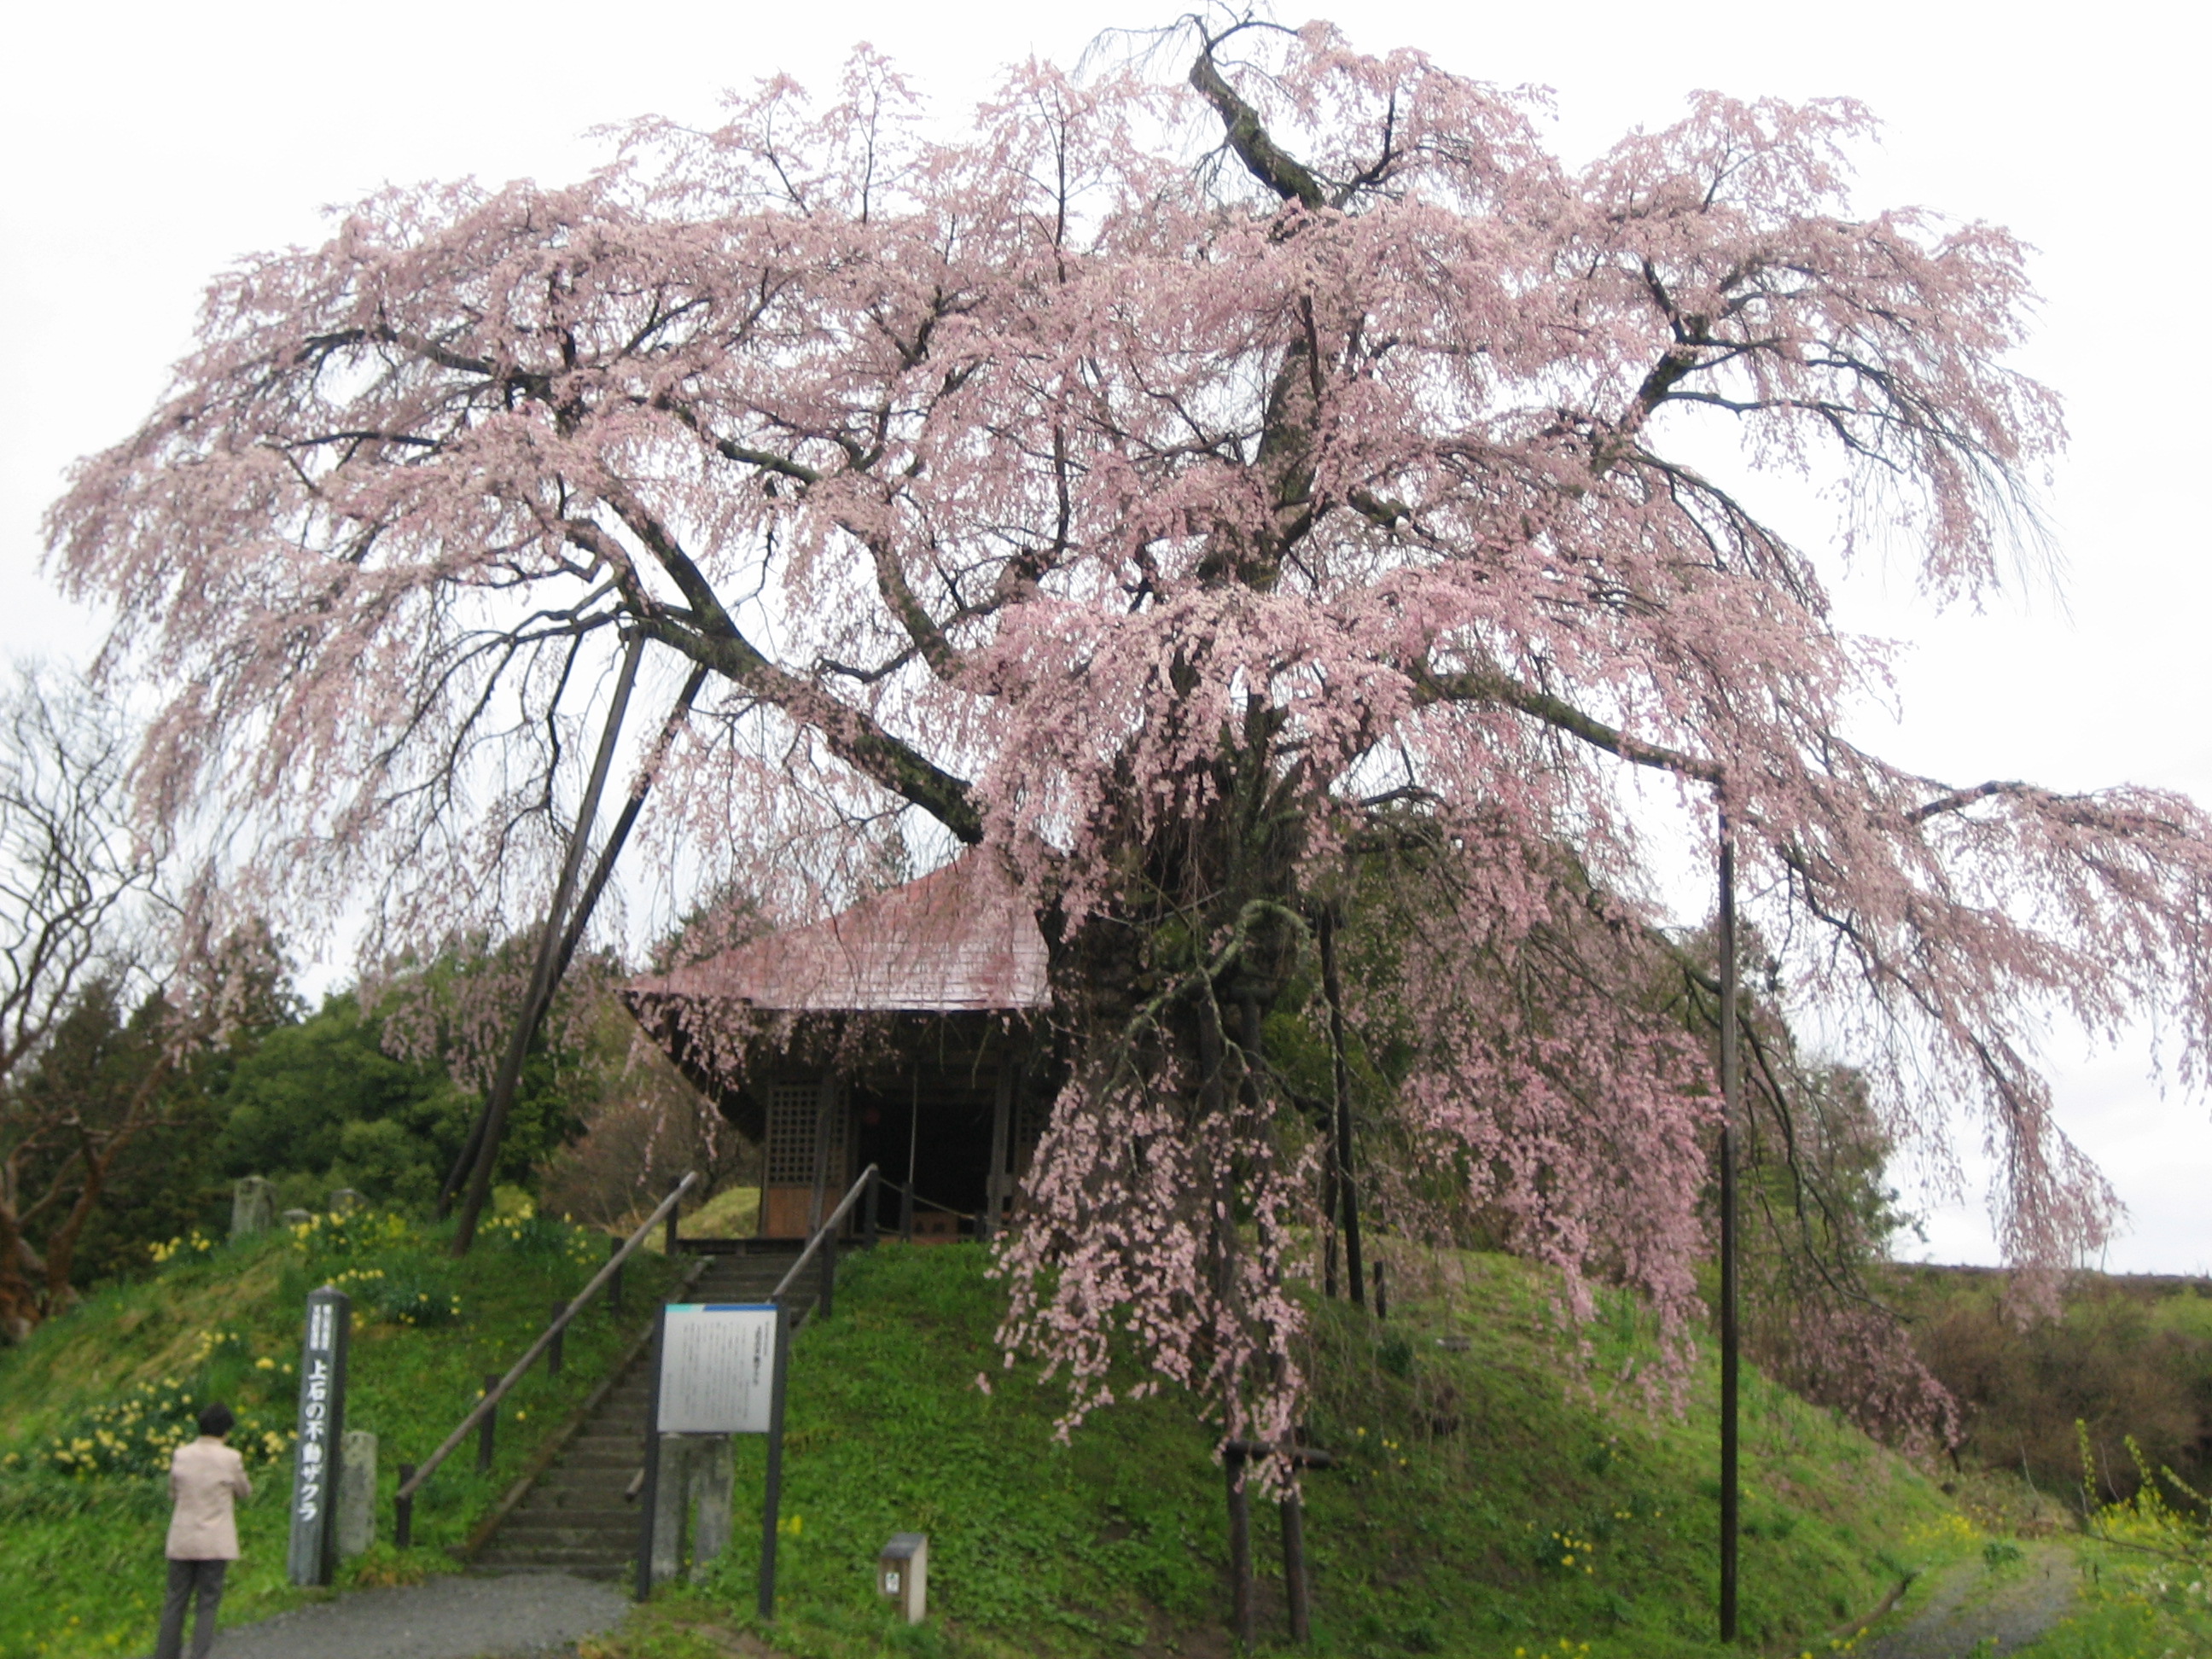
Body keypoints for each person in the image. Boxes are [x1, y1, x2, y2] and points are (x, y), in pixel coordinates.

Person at [154, 1401, 251, 1659]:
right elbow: (244, 1491)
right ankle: (199, 1654)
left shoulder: (181, 1455)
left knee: (176, 1600)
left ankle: (165, 1654)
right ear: (225, 1431)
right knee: (207, 1602)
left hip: (183, 1538)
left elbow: (173, 1493)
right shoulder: (231, 1458)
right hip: (215, 1541)